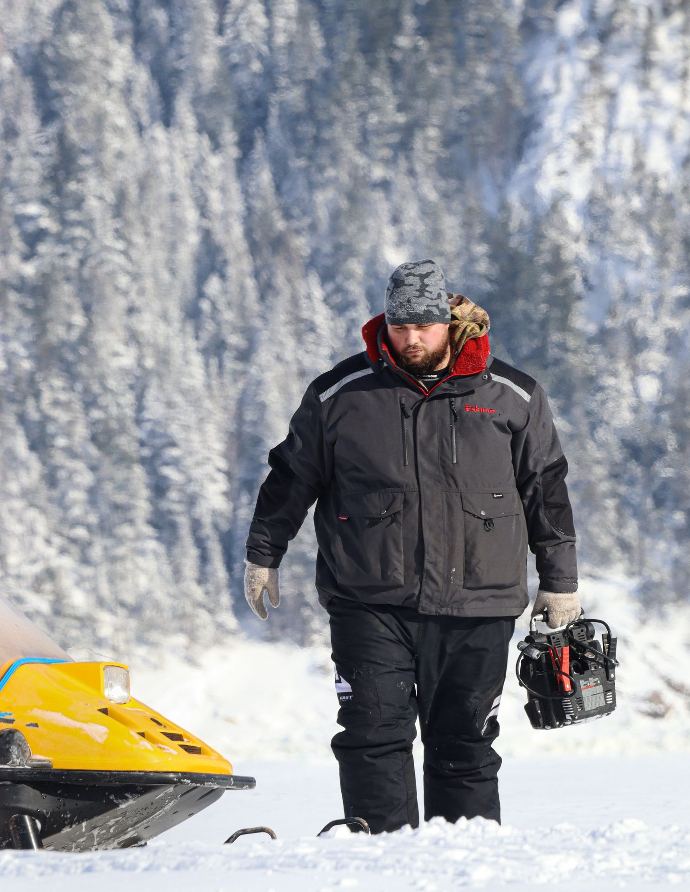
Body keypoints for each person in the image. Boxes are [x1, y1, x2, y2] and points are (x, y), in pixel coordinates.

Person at [244, 259, 580, 834]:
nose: (411, 339)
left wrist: (560, 580)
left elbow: (545, 491)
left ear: (449, 324)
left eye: (423, 327)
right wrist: (263, 554)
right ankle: (380, 864)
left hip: (479, 603)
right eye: (400, 328)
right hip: (369, 600)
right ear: (386, 323)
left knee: (465, 744)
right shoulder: (340, 394)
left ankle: (463, 865)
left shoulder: (511, 395)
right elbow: (290, 476)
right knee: (372, 736)